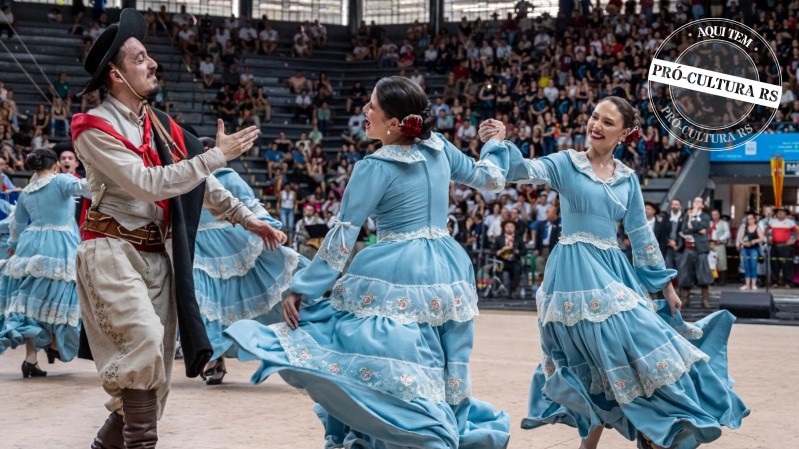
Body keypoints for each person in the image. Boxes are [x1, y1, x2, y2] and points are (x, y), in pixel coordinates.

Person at [225, 76, 511, 448]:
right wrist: (495, 144)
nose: (364, 110)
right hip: (447, 269)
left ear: (394, 123)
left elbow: (342, 237)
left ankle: (405, 433)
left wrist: (301, 287)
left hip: (394, 269)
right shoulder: (439, 146)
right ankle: (447, 429)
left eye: (371, 105)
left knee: (372, 356)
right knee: (448, 361)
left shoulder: (373, 167)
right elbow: (491, 180)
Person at [69, 10, 285, 449]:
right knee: (145, 347)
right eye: (141, 58)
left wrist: (248, 219)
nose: (152, 64)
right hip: (111, 251)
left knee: (155, 381)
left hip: (157, 259)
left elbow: (201, 186)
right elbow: (147, 184)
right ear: (116, 74)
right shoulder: (91, 129)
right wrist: (214, 156)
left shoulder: (162, 126)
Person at [488, 95, 748, 449]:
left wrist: (665, 285)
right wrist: (501, 142)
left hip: (613, 272)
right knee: (595, 357)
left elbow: (641, 236)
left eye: (607, 122)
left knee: (630, 348)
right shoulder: (567, 163)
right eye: (595, 116)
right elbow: (525, 171)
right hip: (573, 273)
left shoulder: (628, 180)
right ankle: (634, 436)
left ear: (625, 133)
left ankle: (651, 432)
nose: (596, 125)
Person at [193, 146, 307, 385]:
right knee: (204, 304)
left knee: (224, 306)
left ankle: (218, 358)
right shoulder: (184, 178)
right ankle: (213, 357)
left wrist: (270, 227)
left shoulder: (227, 177)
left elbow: (251, 205)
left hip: (232, 246)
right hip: (198, 250)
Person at [0, 149, 90, 377]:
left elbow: (18, 224)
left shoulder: (27, 191)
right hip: (60, 243)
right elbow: (85, 188)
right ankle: (53, 345)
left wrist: (13, 244)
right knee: (59, 297)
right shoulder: (60, 180)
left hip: (31, 244)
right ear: (55, 166)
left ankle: (31, 359)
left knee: (33, 302)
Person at [677, 196, 713, 308]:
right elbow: (684, 230)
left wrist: (694, 222)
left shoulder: (705, 216)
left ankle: (705, 300)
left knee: (703, 274)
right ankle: (685, 299)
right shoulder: (687, 215)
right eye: (695, 201)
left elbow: (703, 228)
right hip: (688, 248)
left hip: (701, 249)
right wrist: (696, 229)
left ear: (702, 204)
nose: (696, 203)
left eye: (699, 201)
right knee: (685, 274)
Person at [495, 220, 527, 297]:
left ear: (514, 228)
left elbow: (524, 251)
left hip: (514, 260)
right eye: (507, 226)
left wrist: (517, 251)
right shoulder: (499, 238)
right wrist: (498, 251)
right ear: (504, 228)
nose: (509, 228)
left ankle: (512, 291)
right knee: (498, 270)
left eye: (511, 227)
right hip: (501, 261)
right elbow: (493, 250)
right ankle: (499, 290)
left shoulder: (518, 238)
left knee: (517, 270)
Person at [767, 207, 798, 288]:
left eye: (782, 212)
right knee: (774, 264)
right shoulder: (772, 222)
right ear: (776, 214)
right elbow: (766, 231)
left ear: (785, 214)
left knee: (787, 265)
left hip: (785, 246)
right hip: (775, 246)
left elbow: (797, 231)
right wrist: (768, 239)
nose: (780, 214)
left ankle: (788, 283)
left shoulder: (790, 222)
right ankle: (775, 282)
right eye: (778, 212)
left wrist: (794, 240)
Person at [738, 213, 765, 291]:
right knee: (746, 266)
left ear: (754, 219)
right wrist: (743, 243)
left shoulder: (757, 228)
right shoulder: (745, 228)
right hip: (745, 249)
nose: (749, 220)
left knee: (753, 266)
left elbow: (762, 238)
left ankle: (753, 284)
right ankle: (747, 284)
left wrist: (755, 241)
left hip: (754, 249)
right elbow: (740, 238)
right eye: (748, 219)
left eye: (750, 219)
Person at [709, 209, 730, 285]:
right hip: (711, 244)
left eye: (716, 214)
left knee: (721, 262)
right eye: (713, 215)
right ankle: (713, 280)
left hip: (719, 244)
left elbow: (727, 233)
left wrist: (720, 239)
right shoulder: (710, 223)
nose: (714, 216)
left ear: (719, 215)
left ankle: (722, 280)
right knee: (712, 263)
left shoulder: (723, 223)